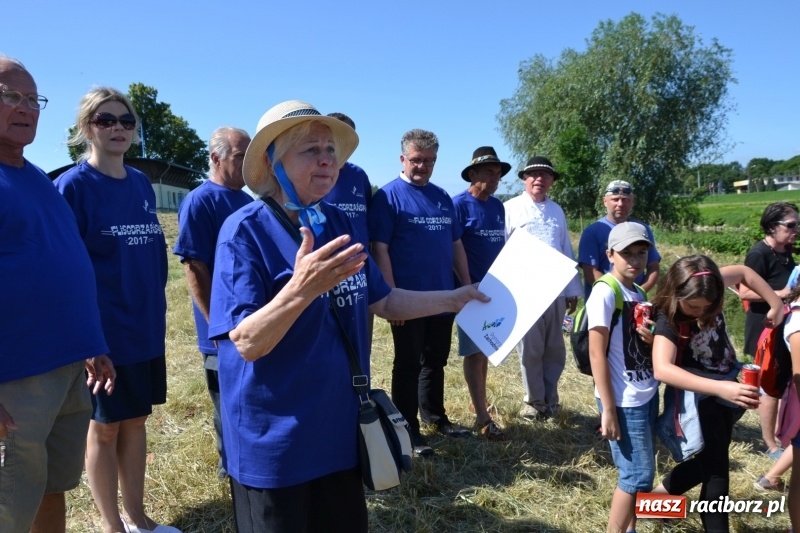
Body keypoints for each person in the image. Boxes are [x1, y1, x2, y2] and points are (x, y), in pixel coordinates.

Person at [207, 100, 488, 533]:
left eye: (330, 150)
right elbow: (246, 342)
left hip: (340, 430)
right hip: (277, 442)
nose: (326, 160)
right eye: (310, 150)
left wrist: (454, 298)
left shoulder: (336, 222)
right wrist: (301, 288)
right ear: (271, 162)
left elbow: (385, 301)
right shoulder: (244, 231)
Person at [0, 56, 115, 533]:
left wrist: (91, 343)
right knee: (9, 505)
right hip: (16, 380)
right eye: (10, 96)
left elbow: (64, 264)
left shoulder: (38, 179)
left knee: (51, 489)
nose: (25, 108)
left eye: (33, 99)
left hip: (69, 368)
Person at [54, 87, 176, 533]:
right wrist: (86, 339)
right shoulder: (72, 187)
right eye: (106, 120)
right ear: (87, 128)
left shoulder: (141, 183)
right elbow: (63, 269)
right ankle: (112, 526)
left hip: (144, 326)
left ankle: (138, 517)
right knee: (105, 427)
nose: (118, 128)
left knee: (136, 420)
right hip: (103, 335)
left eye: (126, 121)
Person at [650, 254, 783, 533]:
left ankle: (654, 502)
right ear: (676, 293)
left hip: (725, 389)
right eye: (693, 306)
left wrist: (775, 304)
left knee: (710, 461)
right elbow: (662, 369)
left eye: (708, 307)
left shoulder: (708, 283)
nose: (701, 312)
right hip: (700, 397)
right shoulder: (668, 318)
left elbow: (744, 272)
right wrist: (722, 388)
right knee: (717, 475)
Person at [369, 129, 473, 456]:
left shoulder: (442, 197)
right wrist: (391, 297)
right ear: (402, 159)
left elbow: (456, 244)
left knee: (436, 361)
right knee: (408, 364)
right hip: (407, 301)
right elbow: (380, 248)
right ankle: (407, 429)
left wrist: (466, 286)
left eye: (429, 161)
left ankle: (435, 417)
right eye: (416, 160)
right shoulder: (388, 197)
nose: (422, 166)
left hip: (442, 297)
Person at [173, 126, 251, 479]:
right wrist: (215, 325)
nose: (247, 164)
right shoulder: (200, 201)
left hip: (249, 324)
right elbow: (195, 267)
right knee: (227, 403)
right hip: (221, 332)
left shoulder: (248, 201)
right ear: (216, 158)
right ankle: (230, 469)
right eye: (240, 156)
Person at [587, 222, 656, 533]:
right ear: (610, 255)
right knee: (635, 476)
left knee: (639, 474)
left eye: (641, 252)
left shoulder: (639, 292)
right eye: (627, 253)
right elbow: (596, 353)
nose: (636, 260)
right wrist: (608, 409)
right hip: (623, 399)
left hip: (645, 392)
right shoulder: (605, 291)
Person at [504, 156, 582, 420]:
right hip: (524, 292)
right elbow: (502, 251)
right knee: (531, 349)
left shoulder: (557, 210)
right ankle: (533, 401)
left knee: (554, 349)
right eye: (534, 174)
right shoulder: (510, 209)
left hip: (555, 290)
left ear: (551, 181)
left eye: (545, 175)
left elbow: (565, 249)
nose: (539, 179)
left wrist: (572, 289)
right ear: (524, 179)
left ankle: (551, 400)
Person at [453, 146, 510, 440]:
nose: (495, 177)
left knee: (485, 350)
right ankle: (482, 417)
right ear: (472, 173)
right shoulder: (458, 205)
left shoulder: (498, 207)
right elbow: (454, 248)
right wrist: (466, 286)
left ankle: (481, 404)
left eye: (498, 173)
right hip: (470, 290)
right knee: (474, 353)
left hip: (494, 291)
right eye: (489, 171)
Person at [739, 202, 799, 459]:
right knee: (770, 385)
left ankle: (778, 434)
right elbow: (744, 292)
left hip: (783, 325)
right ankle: (769, 443)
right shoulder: (759, 254)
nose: (796, 230)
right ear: (773, 226)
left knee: (783, 381)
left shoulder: (785, 251)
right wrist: (781, 294)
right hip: (765, 327)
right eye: (791, 225)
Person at [578, 179, 660, 300]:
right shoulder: (592, 232)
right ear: (605, 201)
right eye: (615, 199)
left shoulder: (642, 230)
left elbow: (653, 267)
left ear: (632, 202)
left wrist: (637, 293)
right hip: (604, 300)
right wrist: (617, 295)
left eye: (626, 200)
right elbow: (590, 272)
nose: (620, 204)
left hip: (636, 302)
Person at [323, 112, 372, 250]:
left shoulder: (359, 175)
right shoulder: (312, 174)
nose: (341, 140)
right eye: (336, 133)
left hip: (361, 255)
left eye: (347, 135)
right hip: (327, 255)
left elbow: (369, 217)